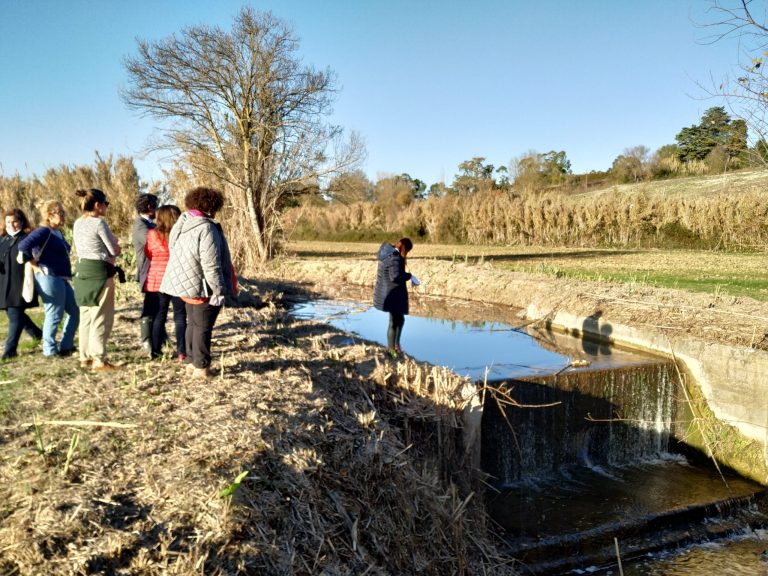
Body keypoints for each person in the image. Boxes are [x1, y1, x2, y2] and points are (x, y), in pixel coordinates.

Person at [160, 187, 235, 379]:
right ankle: (201, 367)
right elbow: (211, 263)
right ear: (212, 206)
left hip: (186, 285)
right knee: (202, 327)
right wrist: (218, 290)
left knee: (192, 324)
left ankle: (191, 362)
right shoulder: (206, 228)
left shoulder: (182, 224)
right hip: (203, 287)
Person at [18, 201, 78, 358]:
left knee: (74, 310)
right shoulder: (43, 231)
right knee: (54, 313)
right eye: (61, 213)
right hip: (48, 276)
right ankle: (50, 350)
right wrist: (34, 265)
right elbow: (23, 245)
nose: (64, 216)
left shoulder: (57, 232)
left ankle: (66, 345)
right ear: (50, 215)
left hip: (61, 277)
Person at [72, 188, 122, 371]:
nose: (107, 207)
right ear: (97, 205)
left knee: (86, 315)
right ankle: (99, 359)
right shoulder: (99, 223)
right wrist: (118, 247)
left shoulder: (77, 223)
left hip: (82, 271)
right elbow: (112, 250)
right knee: (102, 316)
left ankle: (84, 357)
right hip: (99, 271)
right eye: (106, 204)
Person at [144, 205, 186, 360]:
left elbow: (148, 253)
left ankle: (155, 351)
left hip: (158, 279)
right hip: (178, 277)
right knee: (180, 316)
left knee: (159, 316)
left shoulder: (152, 234)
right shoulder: (181, 234)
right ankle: (182, 350)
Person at [0, 209, 42, 359]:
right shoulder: (2, 240)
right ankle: (37, 334)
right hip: (4, 284)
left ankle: (10, 351)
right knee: (14, 315)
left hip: (21, 283)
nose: (12, 225)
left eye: (15, 221)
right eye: (8, 222)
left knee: (15, 315)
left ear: (22, 222)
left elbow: (35, 256)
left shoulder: (27, 239)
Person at [373, 237, 416, 359]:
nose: (406, 254)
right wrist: (409, 276)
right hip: (391, 294)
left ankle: (396, 345)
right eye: (407, 251)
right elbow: (395, 277)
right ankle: (391, 350)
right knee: (393, 322)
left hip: (390, 292)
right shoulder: (394, 257)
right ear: (403, 248)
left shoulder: (388, 253)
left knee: (400, 319)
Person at [131, 193, 158, 353]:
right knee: (150, 306)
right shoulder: (141, 225)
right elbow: (153, 243)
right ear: (149, 207)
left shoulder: (147, 224)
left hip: (153, 270)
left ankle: (156, 337)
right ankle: (147, 341)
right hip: (148, 271)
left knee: (156, 306)